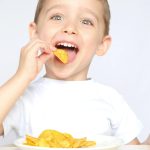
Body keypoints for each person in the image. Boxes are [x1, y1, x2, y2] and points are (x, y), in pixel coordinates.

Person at [0, 0, 142, 145]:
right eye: (57, 17)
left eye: (86, 21)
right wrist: (22, 76)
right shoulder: (21, 97)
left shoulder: (111, 99)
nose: (69, 28)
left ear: (101, 45)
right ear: (35, 33)